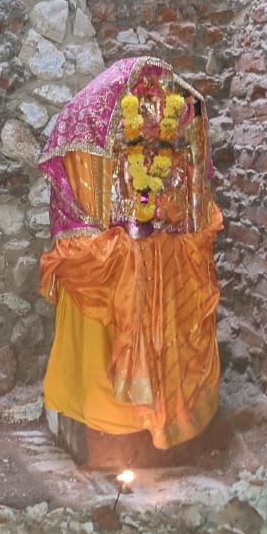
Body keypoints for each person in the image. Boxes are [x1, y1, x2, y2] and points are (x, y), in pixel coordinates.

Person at [38, 57, 222, 449]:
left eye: (161, 131)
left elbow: (187, 197)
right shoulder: (95, 128)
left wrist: (168, 216)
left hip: (164, 250)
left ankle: (166, 419)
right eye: (144, 128)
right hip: (112, 250)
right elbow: (87, 204)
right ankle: (111, 427)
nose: (154, 137)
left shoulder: (178, 130)